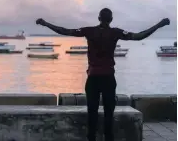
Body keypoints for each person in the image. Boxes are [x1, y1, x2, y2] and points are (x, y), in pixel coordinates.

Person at [36, 8, 170, 141]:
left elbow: (65, 31)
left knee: (92, 113)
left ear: (99, 18)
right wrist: (159, 24)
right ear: (111, 19)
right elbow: (138, 36)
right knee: (108, 115)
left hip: (93, 78)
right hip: (108, 78)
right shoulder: (115, 32)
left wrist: (46, 23)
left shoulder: (89, 31)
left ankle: (92, 138)